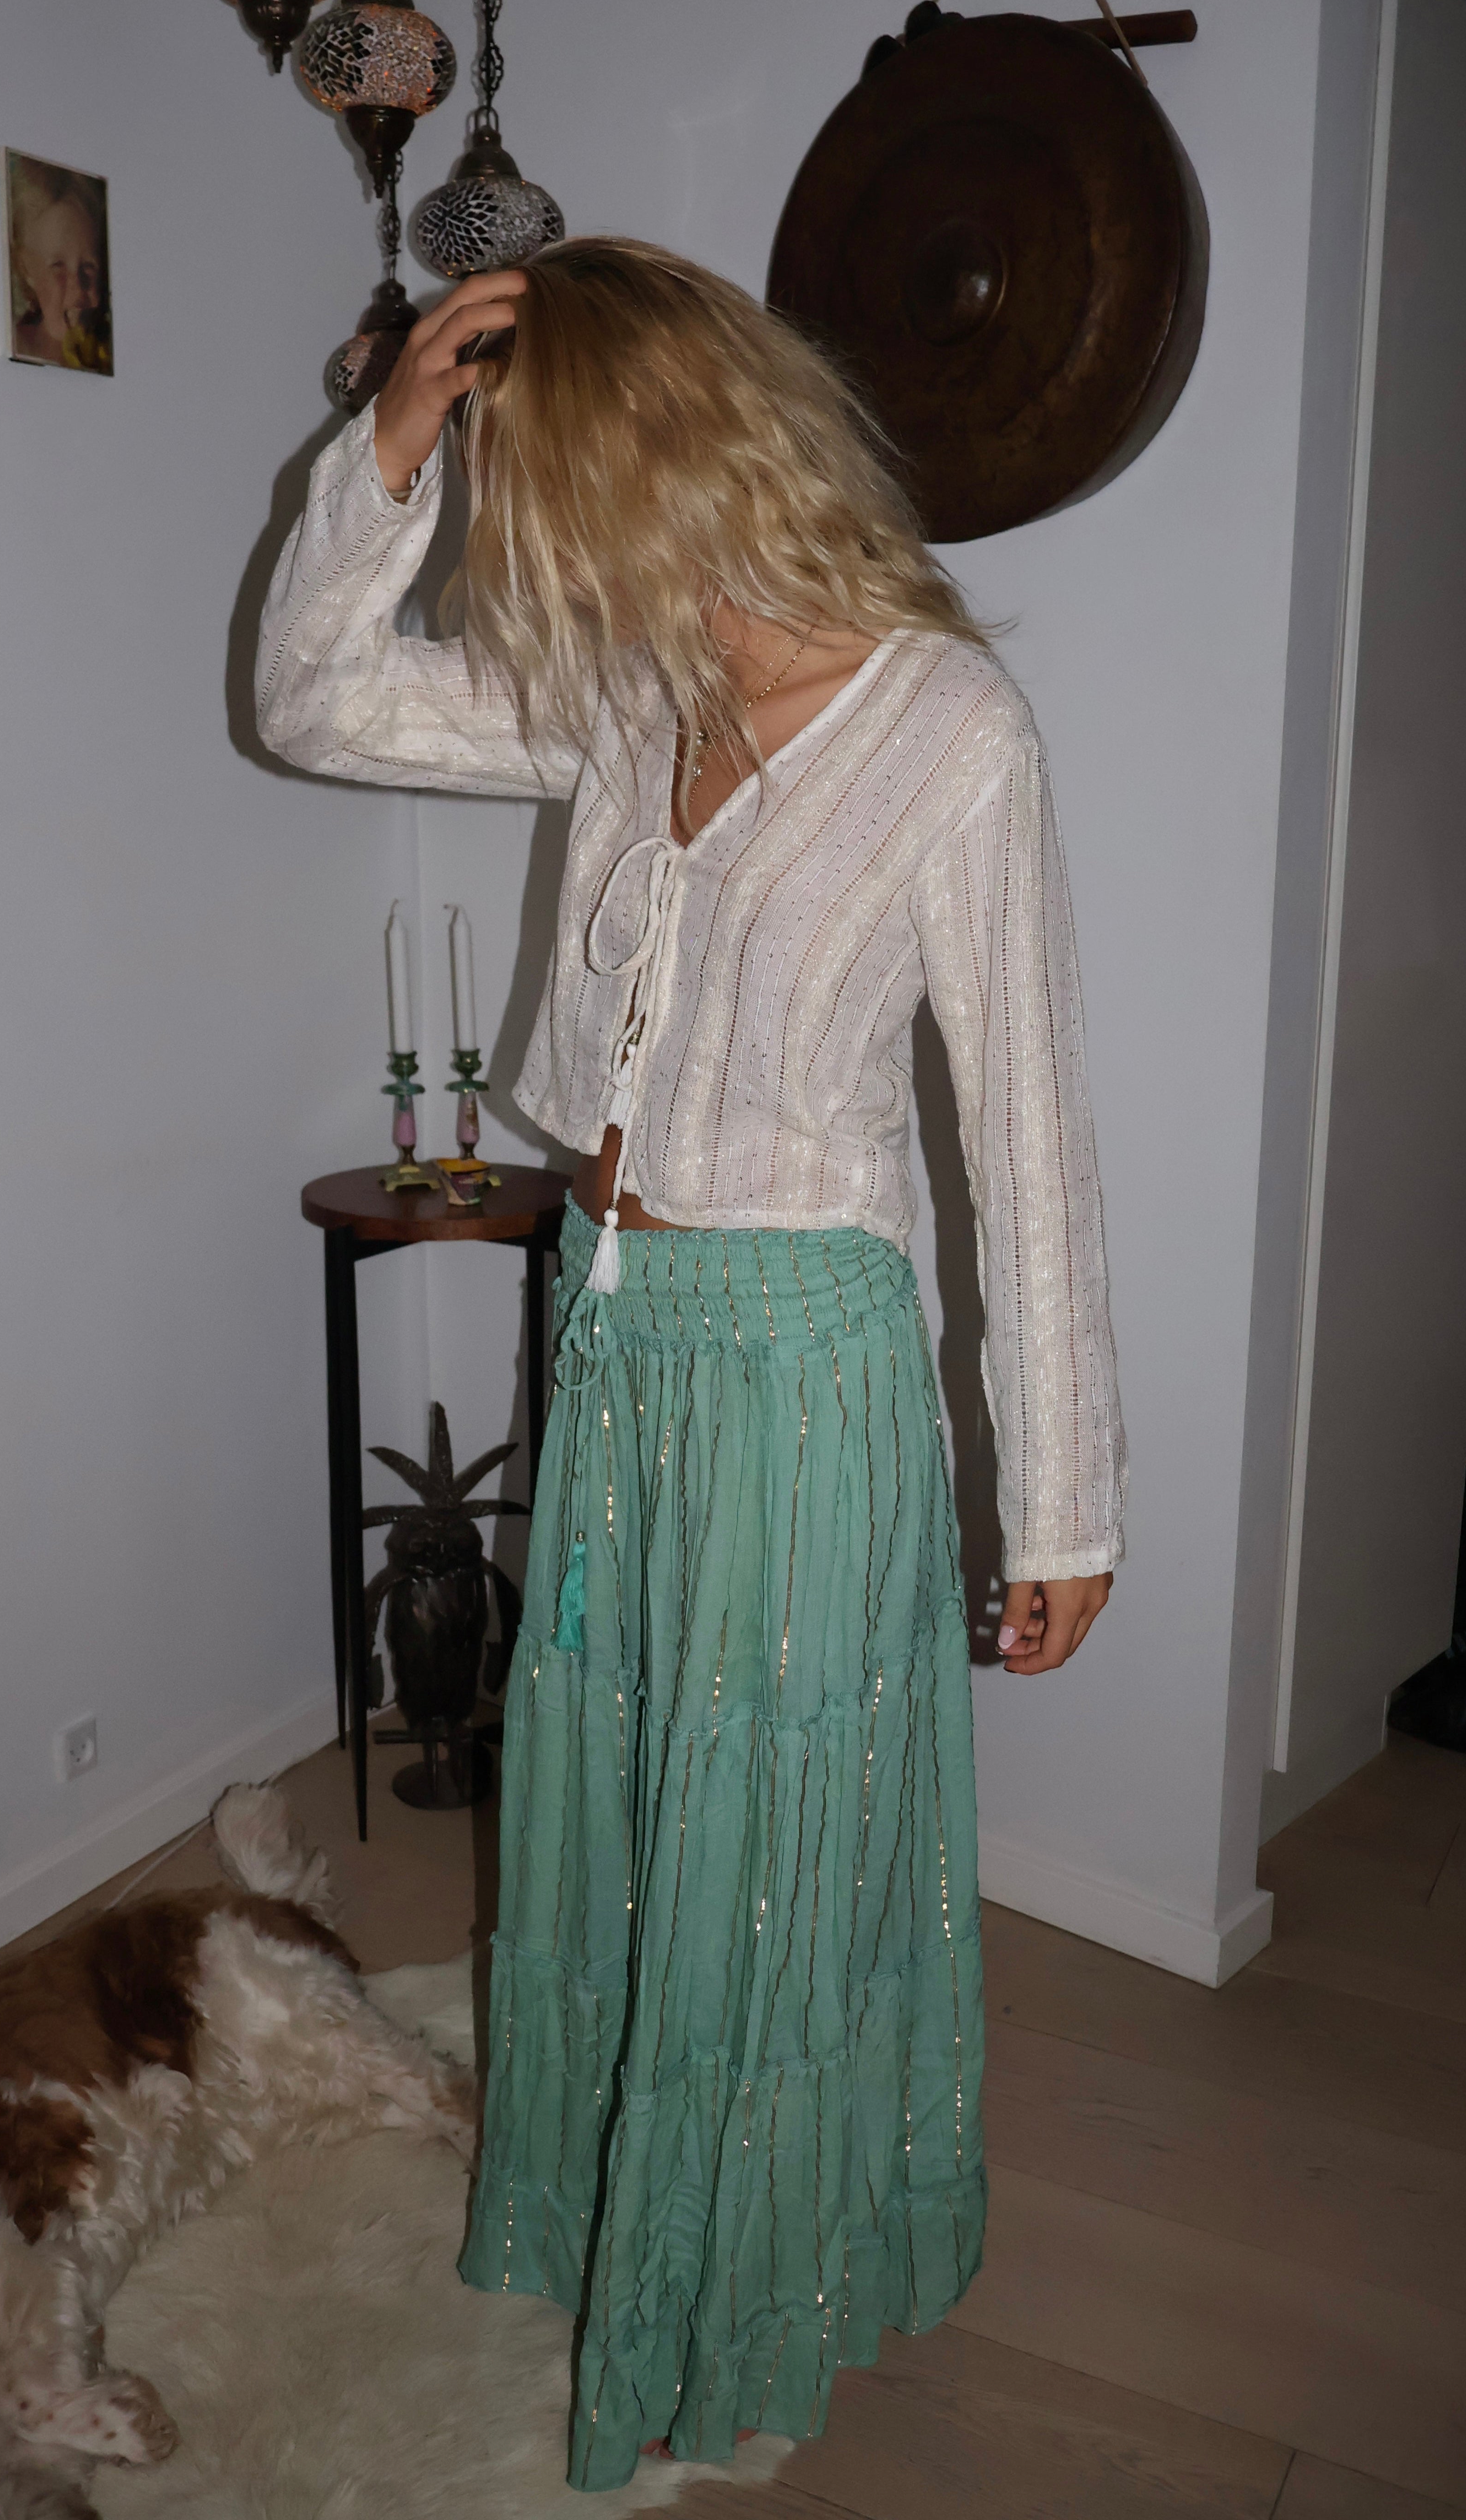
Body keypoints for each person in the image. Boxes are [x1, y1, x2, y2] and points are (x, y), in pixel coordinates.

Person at [256, 238, 1125, 2491]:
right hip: (617, 1325)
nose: (537, 554)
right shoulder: (627, 688)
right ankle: (604, 2196)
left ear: (672, 459)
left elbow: (1025, 1141)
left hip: (803, 1368)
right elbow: (315, 701)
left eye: (549, 496)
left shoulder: (948, 734)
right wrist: (387, 452)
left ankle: (747, 2274)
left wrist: (1061, 1500)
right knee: (625, 1793)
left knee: (766, 1845)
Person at [8, 159, 110, 373]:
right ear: (26, 269)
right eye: (58, 266)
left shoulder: (109, 350)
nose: (78, 288)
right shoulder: (20, 345)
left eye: (89, 266)